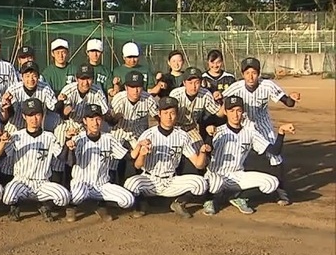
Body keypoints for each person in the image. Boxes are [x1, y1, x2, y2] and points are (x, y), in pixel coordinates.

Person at [223, 57, 301, 204]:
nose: (250, 76)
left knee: (275, 156)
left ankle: (280, 191)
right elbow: (221, 101)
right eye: (247, 73)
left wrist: (292, 98)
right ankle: (237, 190)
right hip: (243, 124)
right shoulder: (236, 87)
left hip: (262, 123)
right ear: (242, 74)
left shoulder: (267, 85)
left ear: (258, 74)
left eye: (254, 73)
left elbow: (288, 102)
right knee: (239, 155)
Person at [202, 96, 293, 216]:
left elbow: (274, 151)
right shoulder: (217, 131)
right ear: (225, 112)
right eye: (231, 111)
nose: (235, 115)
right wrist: (208, 139)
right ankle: (210, 200)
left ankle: (237, 196)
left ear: (243, 112)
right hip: (216, 174)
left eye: (238, 110)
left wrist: (281, 132)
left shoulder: (250, 132)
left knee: (272, 183)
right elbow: (206, 154)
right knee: (215, 183)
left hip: (238, 175)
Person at [124, 97, 210, 218]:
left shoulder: (182, 136)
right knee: (130, 184)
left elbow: (198, 164)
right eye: (165, 113)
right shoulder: (149, 134)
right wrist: (142, 154)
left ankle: (179, 203)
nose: (169, 117)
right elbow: (138, 165)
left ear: (176, 114)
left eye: (172, 113)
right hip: (150, 180)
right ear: (159, 114)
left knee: (201, 183)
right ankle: (142, 204)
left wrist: (202, 152)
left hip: (171, 181)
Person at [0, 98, 74, 222]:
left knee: (64, 196)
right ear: (24, 116)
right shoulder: (17, 136)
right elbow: (1, 155)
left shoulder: (49, 137)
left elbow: (62, 156)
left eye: (37, 114)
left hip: (42, 182)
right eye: (30, 115)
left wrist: (67, 142)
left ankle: (44, 205)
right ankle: (15, 206)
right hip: (21, 180)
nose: (34, 119)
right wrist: (1, 141)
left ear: (42, 116)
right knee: (7, 195)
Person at [66, 104, 138, 221]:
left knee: (128, 200)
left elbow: (128, 156)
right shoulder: (78, 139)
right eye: (91, 119)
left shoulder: (108, 139)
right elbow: (70, 162)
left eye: (98, 119)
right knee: (78, 195)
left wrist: (140, 147)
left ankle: (99, 205)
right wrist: (69, 146)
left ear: (102, 120)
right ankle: (72, 207)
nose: (95, 123)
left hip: (102, 185)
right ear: (85, 121)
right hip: (82, 183)